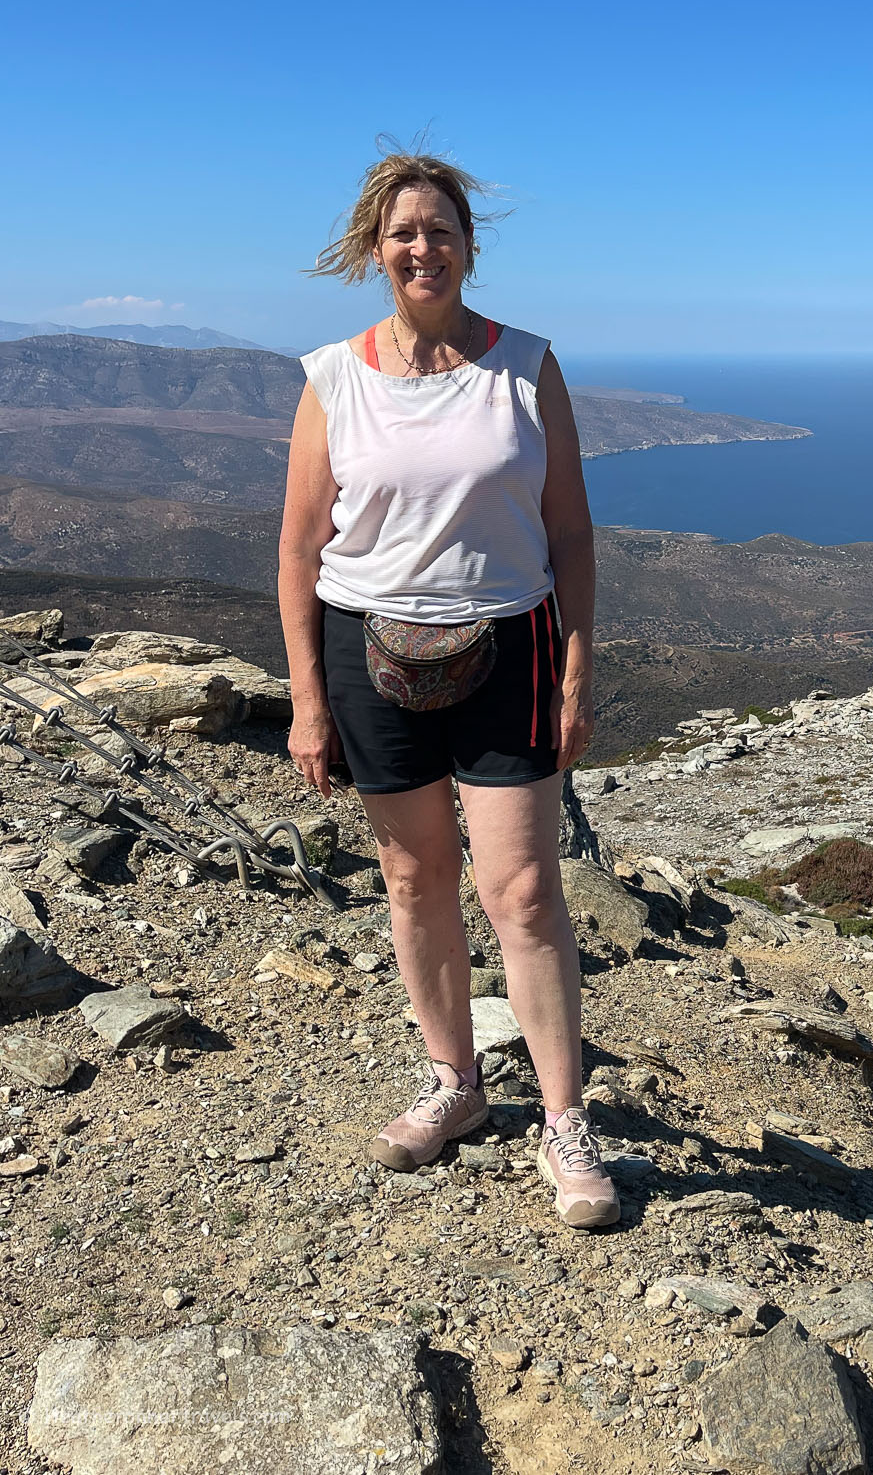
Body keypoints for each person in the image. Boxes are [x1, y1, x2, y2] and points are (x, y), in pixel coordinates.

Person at [277, 150, 618, 1230]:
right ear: (373, 250)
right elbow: (296, 548)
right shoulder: (333, 375)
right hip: (364, 650)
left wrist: (574, 660)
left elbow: (567, 529)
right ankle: (455, 1082)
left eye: (440, 229)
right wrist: (306, 699)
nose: (422, 247)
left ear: (470, 246)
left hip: (509, 646)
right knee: (414, 878)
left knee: (520, 891)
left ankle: (564, 1120)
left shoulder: (525, 365)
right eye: (402, 231)